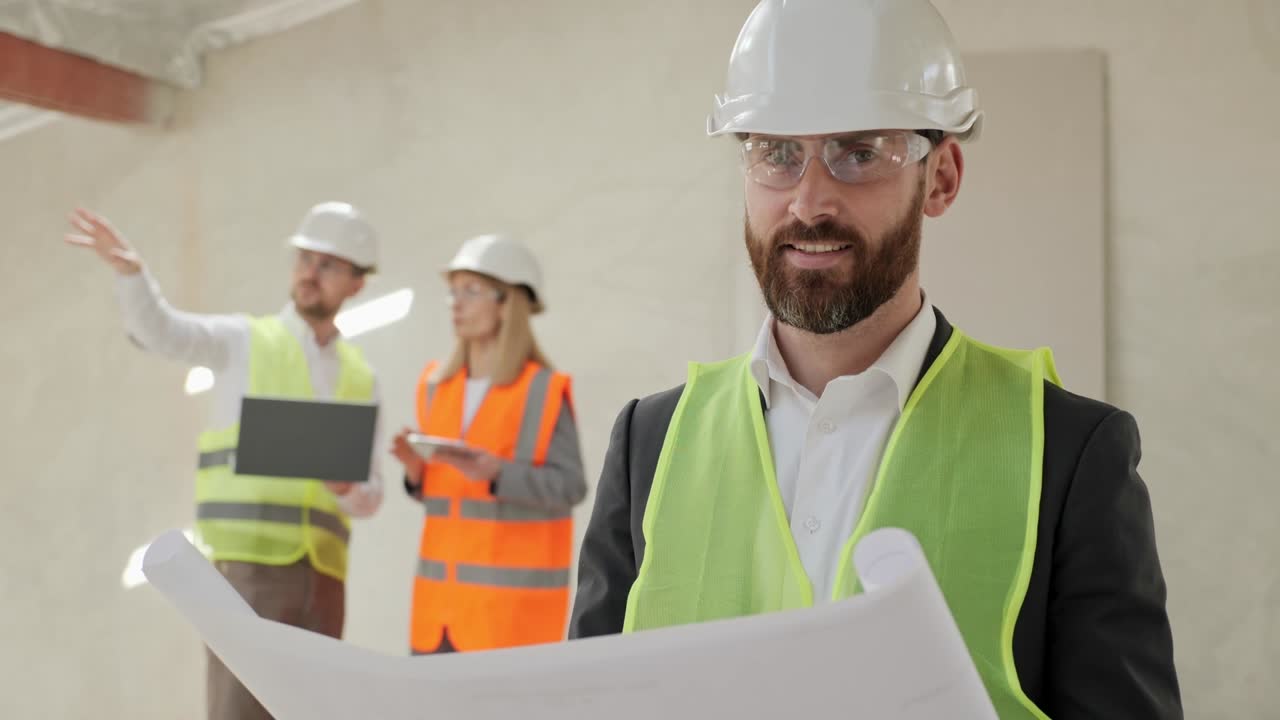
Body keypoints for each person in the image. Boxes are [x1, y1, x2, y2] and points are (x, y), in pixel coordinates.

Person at [568, 1, 1182, 717]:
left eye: (858, 152)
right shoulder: (651, 443)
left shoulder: (1072, 454)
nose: (809, 200)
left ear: (943, 178)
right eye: (776, 152)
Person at [65, 202, 384, 720]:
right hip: (247, 572)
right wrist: (132, 276)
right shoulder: (245, 341)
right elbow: (163, 332)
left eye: (327, 264)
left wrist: (348, 487)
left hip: (324, 579)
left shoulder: (360, 376)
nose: (309, 273)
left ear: (356, 283)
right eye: (304, 259)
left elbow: (371, 495)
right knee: (240, 711)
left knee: (317, 711)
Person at [391, 234, 587, 655]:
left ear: (507, 302)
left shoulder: (542, 390)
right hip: (438, 615)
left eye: (471, 291)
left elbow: (571, 487)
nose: (456, 303)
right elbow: (448, 500)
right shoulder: (434, 386)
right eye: (453, 291)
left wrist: (498, 474)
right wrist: (415, 473)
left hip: (509, 620)